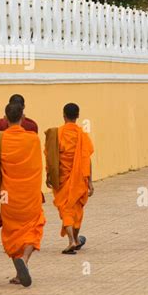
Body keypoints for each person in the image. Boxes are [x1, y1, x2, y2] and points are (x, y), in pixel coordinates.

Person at [0, 101, 45, 287]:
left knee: (11, 231)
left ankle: (17, 269)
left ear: (5, 118)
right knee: (35, 225)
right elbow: (38, 164)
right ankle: (25, 259)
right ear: (23, 117)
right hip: (30, 193)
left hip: (9, 196)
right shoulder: (33, 139)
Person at [45, 103, 94, 254]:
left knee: (66, 208)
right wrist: (90, 182)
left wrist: (49, 175)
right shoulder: (83, 135)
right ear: (78, 116)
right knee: (77, 209)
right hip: (79, 178)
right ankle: (76, 239)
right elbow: (87, 159)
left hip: (62, 178)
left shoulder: (57, 134)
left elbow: (50, 157)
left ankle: (72, 240)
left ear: (63, 115)